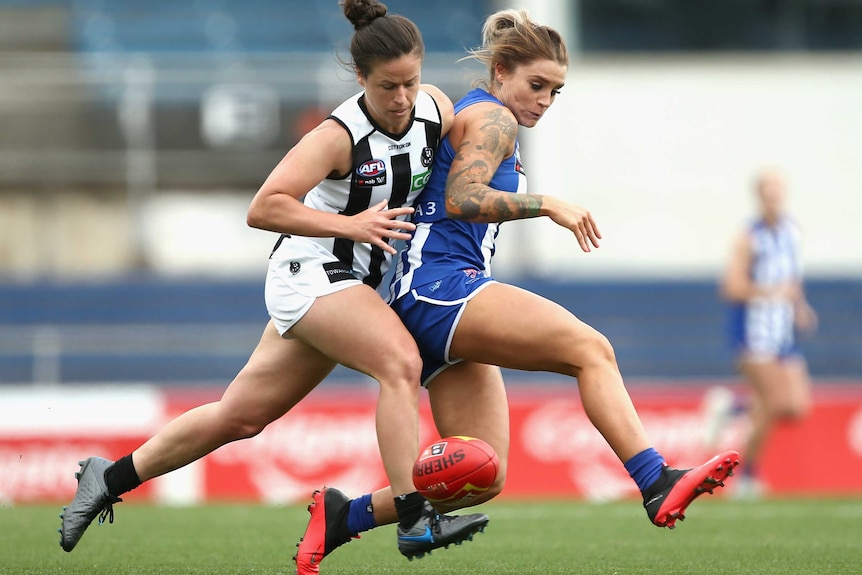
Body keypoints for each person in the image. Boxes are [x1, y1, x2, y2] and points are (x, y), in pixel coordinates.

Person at [294, 8, 740, 574]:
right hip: (441, 289)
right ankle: (657, 481)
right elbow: (463, 197)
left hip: (427, 300)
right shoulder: (495, 120)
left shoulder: (484, 115)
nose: (544, 101)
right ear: (500, 71)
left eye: (555, 91)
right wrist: (547, 203)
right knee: (590, 349)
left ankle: (344, 516)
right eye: (536, 85)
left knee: (480, 476)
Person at [58, 0, 490, 559]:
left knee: (240, 417)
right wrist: (350, 224)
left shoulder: (435, 107)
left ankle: (105, 478)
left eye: (410, 81)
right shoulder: (338, 135)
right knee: (400, 363)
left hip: (358, 287)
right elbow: (263, 207)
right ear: (361, 79)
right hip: (311, 272)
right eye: (387, 86)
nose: (402, 98)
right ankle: (412, 517)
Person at [710, 168, 816, 498]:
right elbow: (731, 287)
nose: (774, 194)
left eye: (778, 187)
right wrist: (771, 293)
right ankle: (746, 479)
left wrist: (800, 307)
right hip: (754, 335)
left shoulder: (791, 232)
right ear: (759, 194)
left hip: (782, 335)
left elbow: (792, 279)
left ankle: (732, 407)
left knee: (796, 406)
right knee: (771, 403)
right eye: (768, 188)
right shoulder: (749, 237)